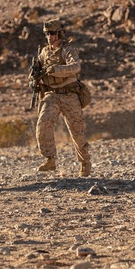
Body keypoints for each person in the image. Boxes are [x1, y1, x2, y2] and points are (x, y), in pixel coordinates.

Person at [31, 18, 91, 176]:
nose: (49, 36)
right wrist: (34, 79)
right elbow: (38, 72)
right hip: (51, 95)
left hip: (69, 94)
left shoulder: (68, 50)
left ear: (59, 34)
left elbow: (75, 66)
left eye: (52, 33)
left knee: (76, 131)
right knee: (43, 124)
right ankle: (49, 159)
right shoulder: (44, 52)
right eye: (47, 34)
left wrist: (56, 69)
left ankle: (84, 162)